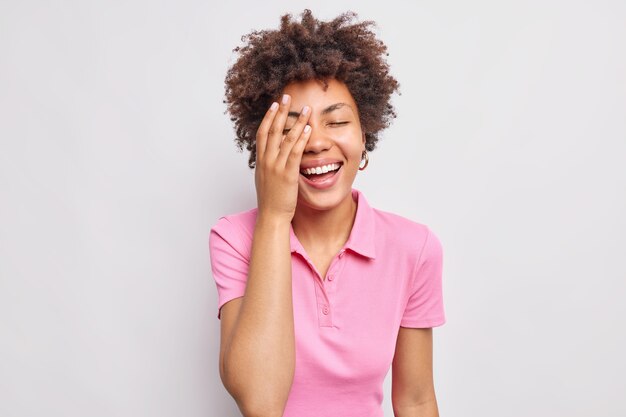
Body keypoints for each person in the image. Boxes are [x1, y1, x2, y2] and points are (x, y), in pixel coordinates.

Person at [209, 9, 446, 417]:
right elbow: (260, 403)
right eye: (290, 129)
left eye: (336, 121)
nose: (316, 143)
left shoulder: (414, 247)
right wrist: (274, 217)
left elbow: (416, 399)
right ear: (262, 145)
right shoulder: (235, 238)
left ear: (364, 133)